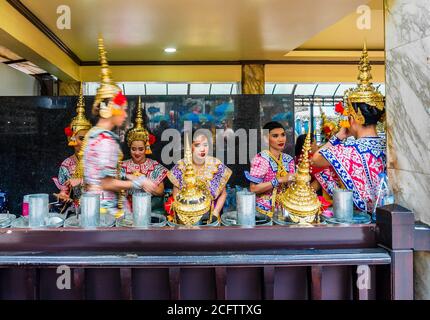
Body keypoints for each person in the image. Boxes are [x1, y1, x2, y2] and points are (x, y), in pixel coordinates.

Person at [81, 38, 154, 219]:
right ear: (109, 109)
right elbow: (105, 182)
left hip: (93, 207)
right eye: (122, 108)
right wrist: (137, 183)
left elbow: (104, 174)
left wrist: (130, 178)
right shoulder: (105, 141)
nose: (124, 113)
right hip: (105, 210)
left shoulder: (93, 135)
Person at [311, 44, 386, 213]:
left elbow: (315, 160)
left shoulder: (347, 150)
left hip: (361, 218)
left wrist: (338, 136)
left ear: (354, 118)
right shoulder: (389, 148)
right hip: (391, 215)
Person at [167, 130, 232, 218]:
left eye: (205, 145)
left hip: (210, 214)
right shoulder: (181, 166)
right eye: (197, 145)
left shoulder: (216, 165)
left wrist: (215, 212)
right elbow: (176, 192)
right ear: (190, 147)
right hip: (186, 214)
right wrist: (181, 212)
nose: (202, 149)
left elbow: (223, 194)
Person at [121, 96, 168, 213]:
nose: (137, 153)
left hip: (150, 209)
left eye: (141, 149)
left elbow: (160, 191)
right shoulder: (122, 166)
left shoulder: (154, 166)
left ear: (146, 148)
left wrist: (144, 184)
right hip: (127, 211)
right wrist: (139, 182)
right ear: (129, 148)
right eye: (133, 149)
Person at [53, 83, 91, 208]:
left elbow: (108, 183)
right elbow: (64, 190)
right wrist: (63, 196)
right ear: (72, 139)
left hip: (99, 208)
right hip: (76, 212)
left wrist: (81, 181)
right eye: (81, 138)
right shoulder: (67, 164)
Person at [245, 121, 295, 217]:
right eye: (275, 136)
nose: (281, 139)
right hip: (266, 208)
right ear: (266, 138)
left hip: (286, 205)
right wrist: (279, 180)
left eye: (283, 135)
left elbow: (291, 184)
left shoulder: (289, 159)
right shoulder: (261, 159)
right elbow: (253, 188)